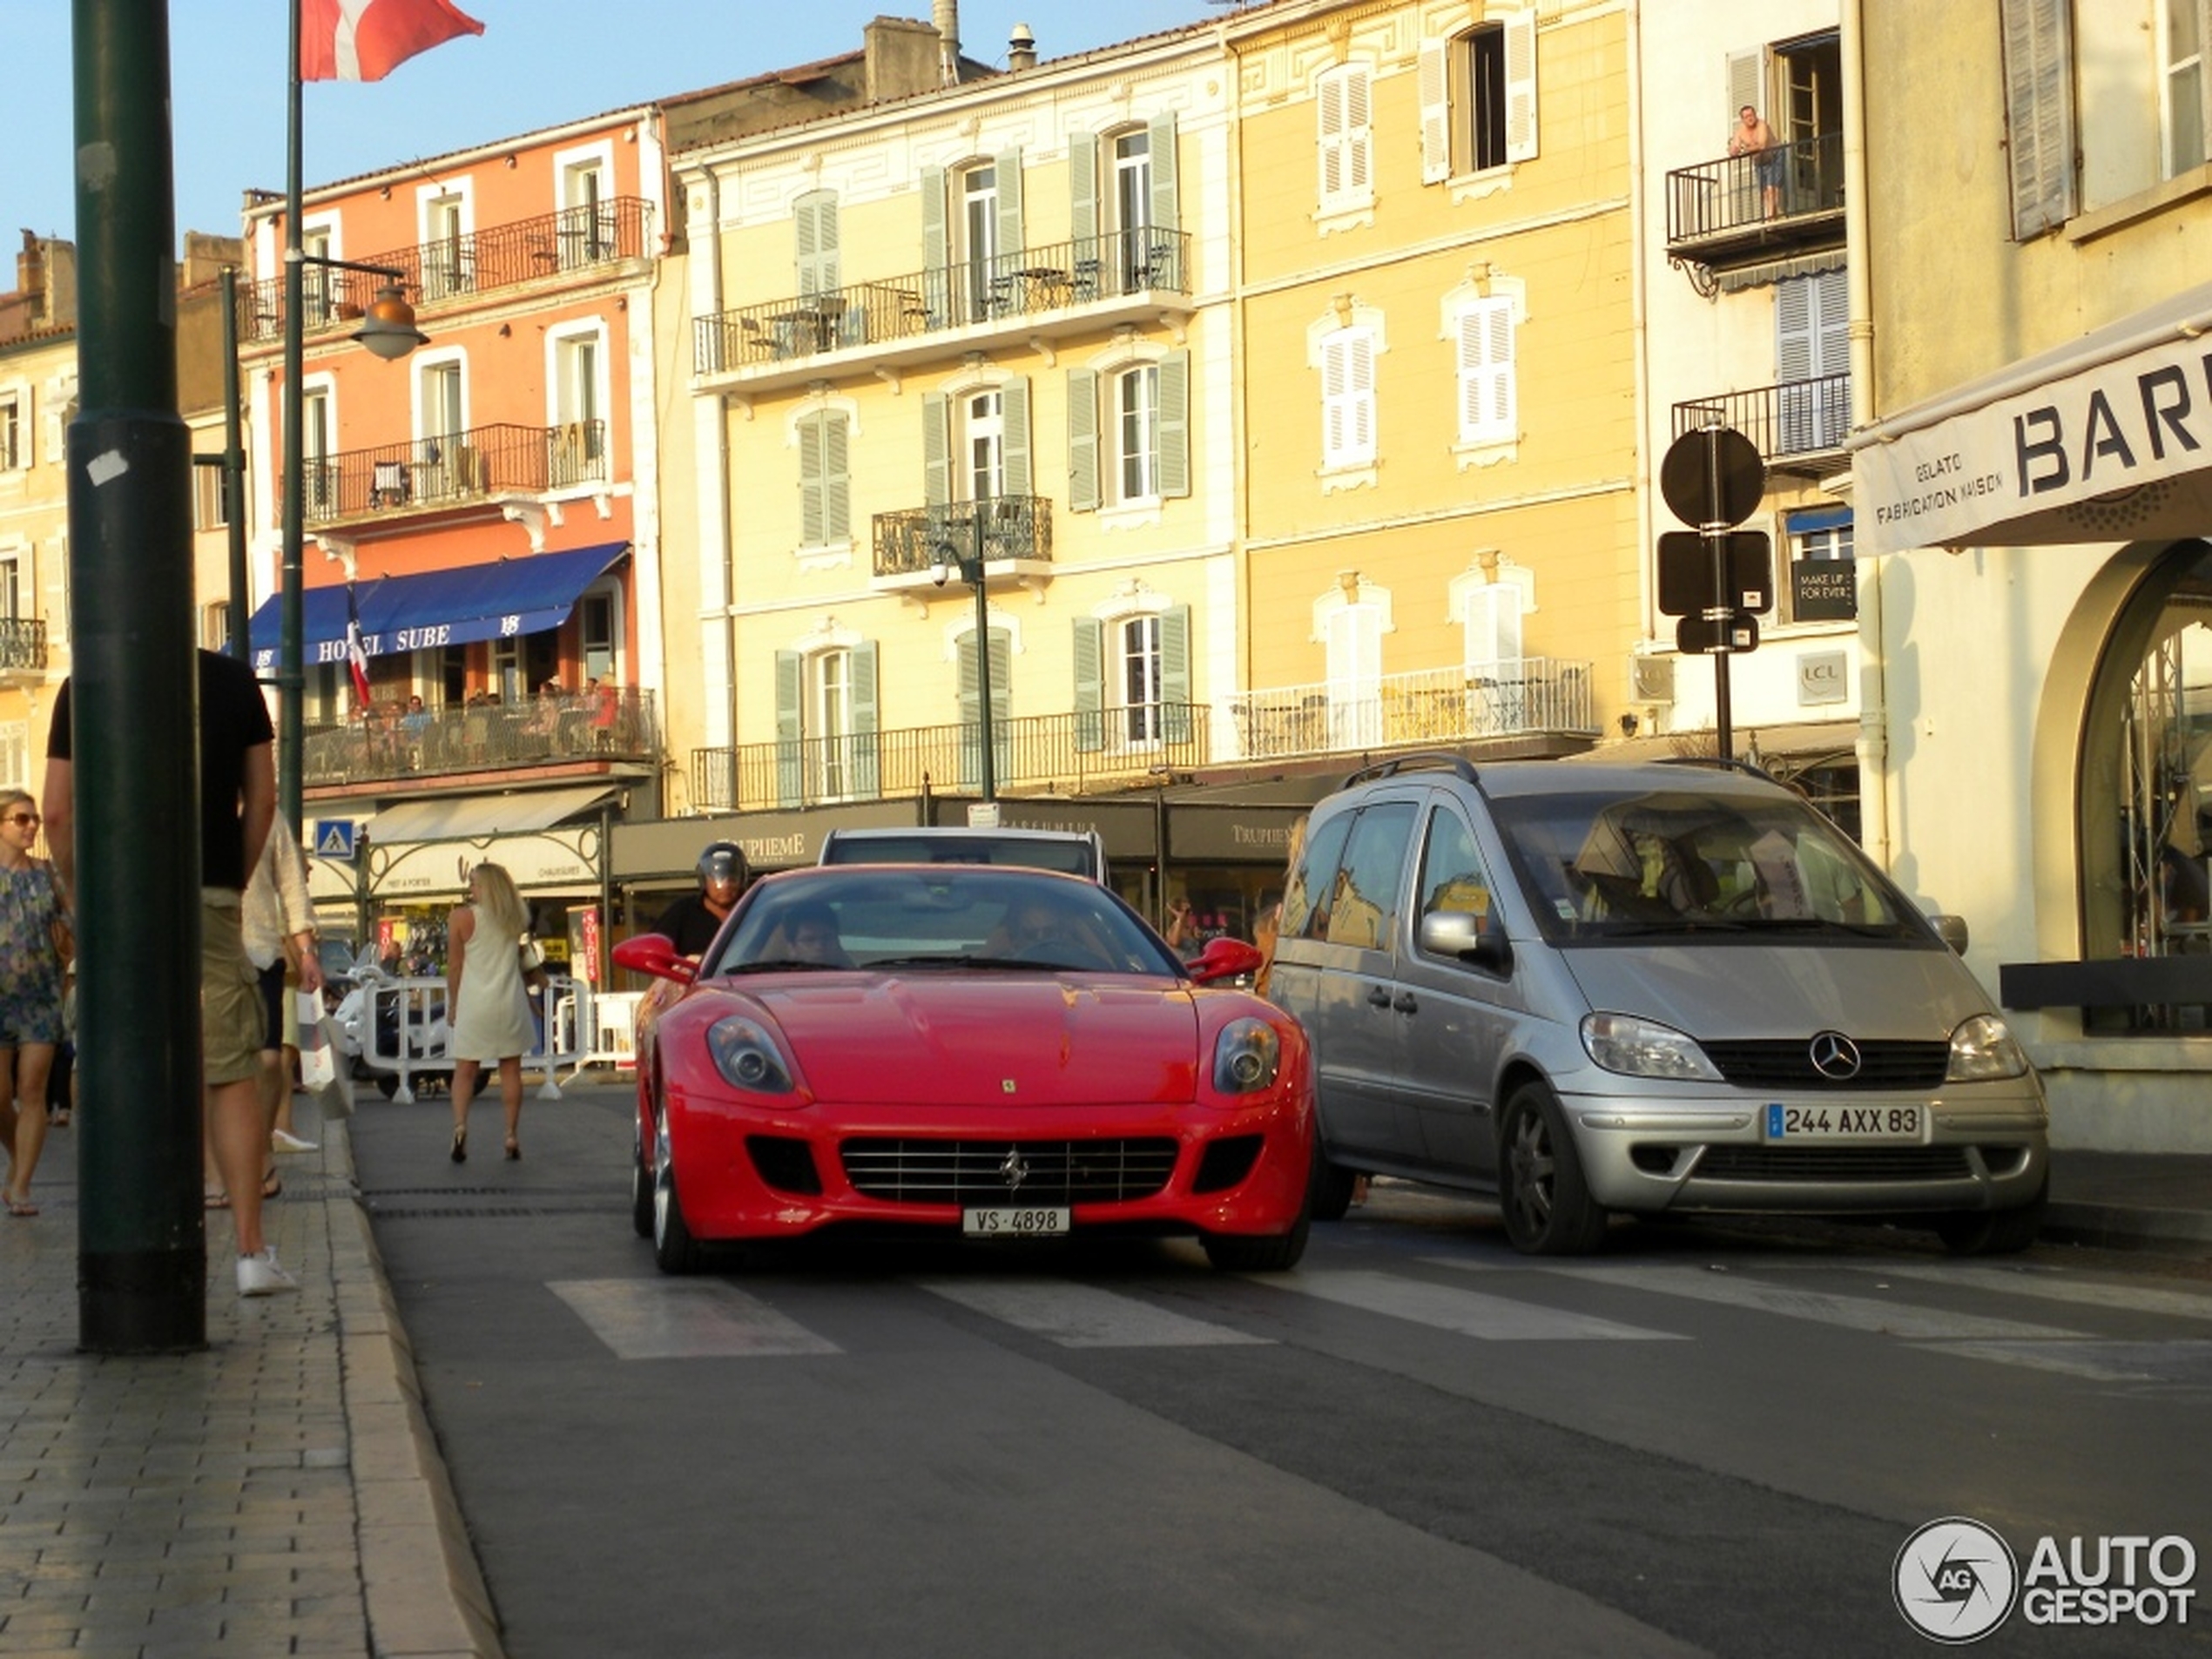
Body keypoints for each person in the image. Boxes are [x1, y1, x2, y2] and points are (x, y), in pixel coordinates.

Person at [46, 648, 287, 1293]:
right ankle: (249, 1251)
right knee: (231, 1071)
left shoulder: (84, 682)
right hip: (206, 889)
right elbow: (262, 800)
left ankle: (114, 1235)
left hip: (116, 898)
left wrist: (81, 893)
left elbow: (57, 812)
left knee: (107, 1056)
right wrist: (229, 882)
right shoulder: (235, 680)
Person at [242, 813, 322, 1185]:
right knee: (212, 1066)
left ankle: (260, 1147)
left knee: (270, 1060)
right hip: (209, 954)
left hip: (261, 952)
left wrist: (306, 952)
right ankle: (219, 1168)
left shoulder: (269, 817)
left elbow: (293, 886)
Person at [0, 788, 66, 1217]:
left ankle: (21, 1185)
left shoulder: (48, 875)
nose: (31, 827)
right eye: (20, 819)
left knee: (32, 1091)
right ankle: (16, 1156)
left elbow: (75, 924)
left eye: (34, 819)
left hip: (41, 996)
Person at [446, 860, 537, 1163]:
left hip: (474, 1003)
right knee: (511, 1070)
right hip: (510, 1000)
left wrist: (453, 1003)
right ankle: (511, 1134)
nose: (470, 889)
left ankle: (460, 1127)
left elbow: (456, 966)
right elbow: (520, 959)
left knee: (465, 1071)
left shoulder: (461, 918)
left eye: (474, 883)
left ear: (485, 887)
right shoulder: (516, 917)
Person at [649, 841, 747, 957]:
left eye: (732, 877)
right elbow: (653, 951)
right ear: (704, 879)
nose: (725, 884)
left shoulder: (757, 911)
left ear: (742, 878)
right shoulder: (682, 912)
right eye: (716, 877)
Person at [1728, 104, 1783, 218]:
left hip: (1774, 156)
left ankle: (1771, 218)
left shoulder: (1762, 125)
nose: (1750, 118)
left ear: (1755, 115)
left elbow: (1762, 145)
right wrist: (1733, 150)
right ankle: (1772, 216)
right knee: (1764, 192)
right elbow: (1735, 147)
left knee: (1772, 188)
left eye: (1752, 115)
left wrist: (1744, 150)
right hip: (1759, 162)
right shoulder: (1740, 132)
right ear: (1742, 119)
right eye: (1746, 116)